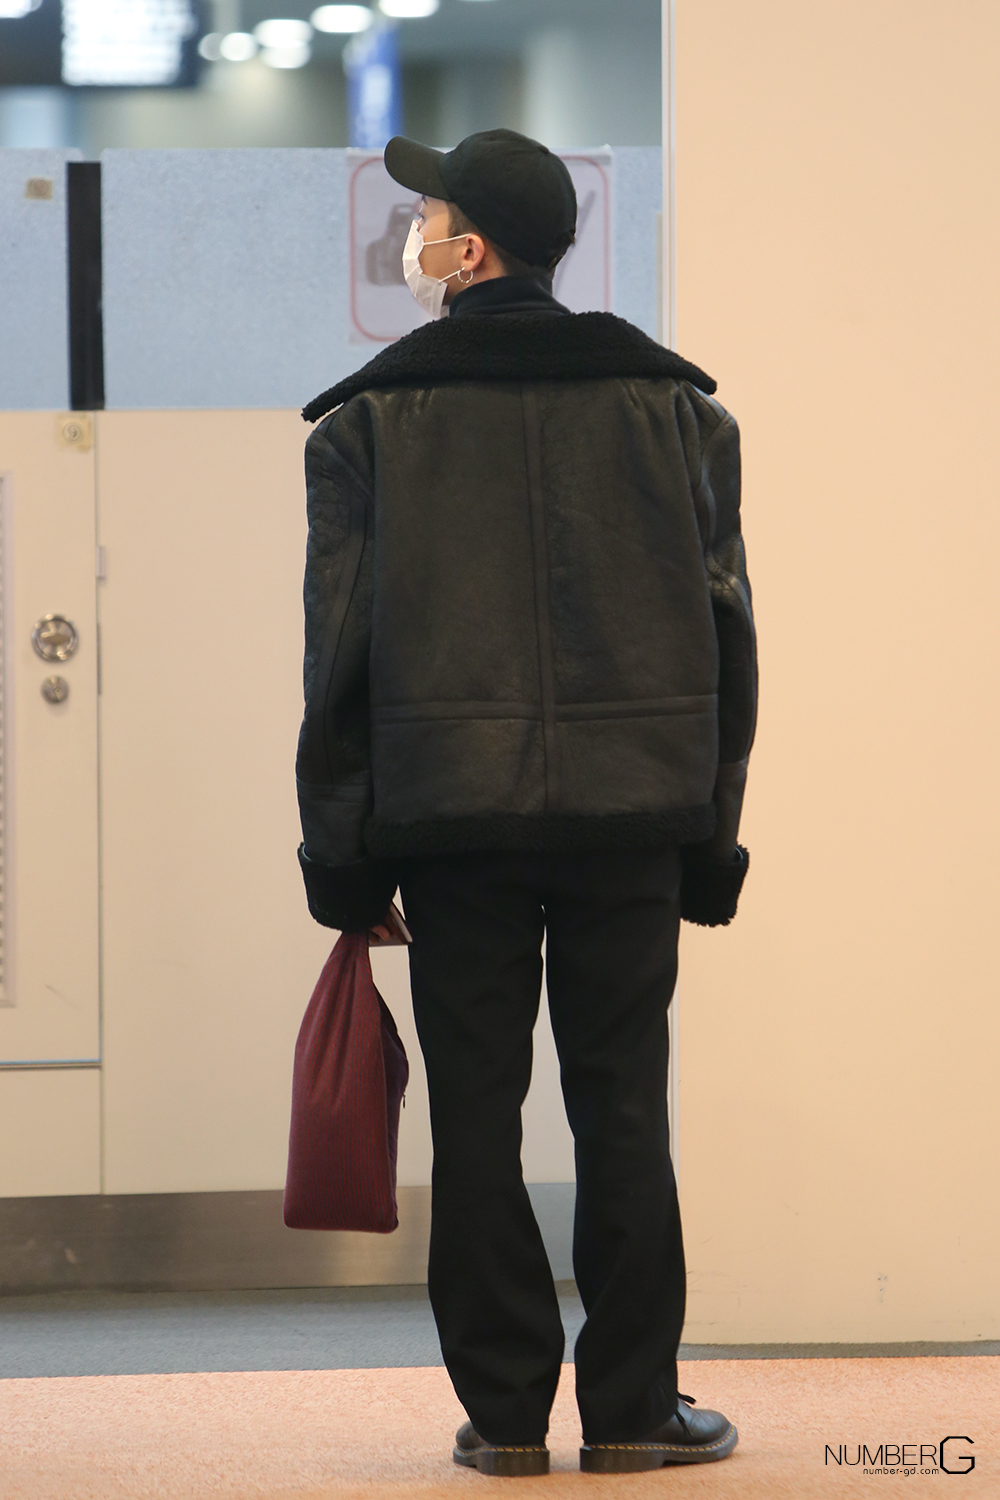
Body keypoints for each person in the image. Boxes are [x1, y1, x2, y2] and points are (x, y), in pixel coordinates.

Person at [296, 128, 756, 1477]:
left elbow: (338, 657)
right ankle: (632, 1410)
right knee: (625, 1110)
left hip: (452, 825)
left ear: (472, 250)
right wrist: (713, 834)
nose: (413, 237)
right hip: (634, 819)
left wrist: (341, 855)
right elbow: (730, 642)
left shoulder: (368, 425)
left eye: (428, 215)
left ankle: (504, 1416)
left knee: (478, 1120)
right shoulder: (679, 414)